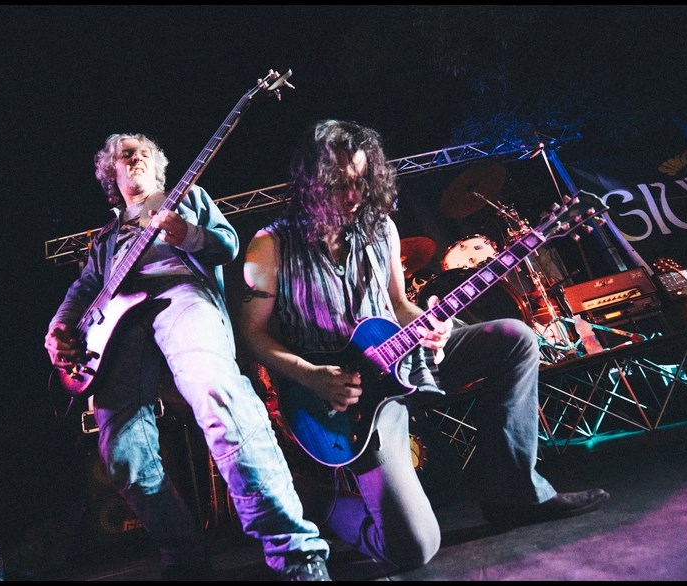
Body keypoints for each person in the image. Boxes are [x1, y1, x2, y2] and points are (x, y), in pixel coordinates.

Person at [238, 120, 609, 572]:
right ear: (309, 182)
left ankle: (513, 494)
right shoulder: (271, 245)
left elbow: (398, 305)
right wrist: (310, 375)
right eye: (338, 184)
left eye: (361, 181)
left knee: (515, 339)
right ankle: (321, 501)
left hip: (402, 360)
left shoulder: (381, 229)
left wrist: (435, 326)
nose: (353, 195)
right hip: (343, 398)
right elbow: (252, 332)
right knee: (412, 550)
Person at [45, 133, 331, 581]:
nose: (136, 158)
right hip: (117, 329)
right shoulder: (105, 239)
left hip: (181, 294)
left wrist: (188, 233)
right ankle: (183, 556)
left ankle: (295, 551)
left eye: (144, 152)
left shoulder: (188, 198)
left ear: (158, 166)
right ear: (110, 172)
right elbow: (83, 289)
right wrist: (59, 327)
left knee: (216, 392)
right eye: (125, 154)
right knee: (120, 451)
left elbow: (227, 245)